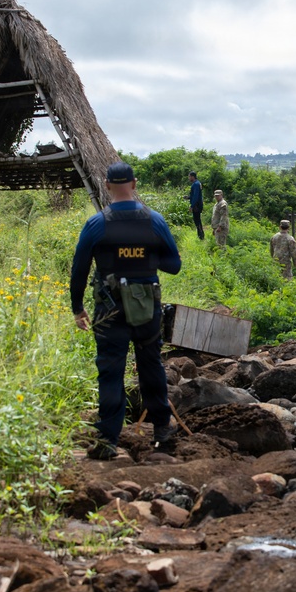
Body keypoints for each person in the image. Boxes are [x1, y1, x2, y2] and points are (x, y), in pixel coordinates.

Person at [70, 162, 182, 460]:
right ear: (134, 183)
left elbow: (79, 268)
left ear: (107, 185)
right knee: (150, 365)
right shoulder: (154, 220)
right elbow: (174, 265)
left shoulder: (96, 224)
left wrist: (77, 307)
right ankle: (162, 429)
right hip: (146, 307)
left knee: (110, 371)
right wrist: (144, 259)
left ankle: (107, 441)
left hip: (109, 310)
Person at [187, 171, 205, 240]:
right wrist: (188, 197)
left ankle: (201, 236)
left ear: (192, 177)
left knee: (197, 220)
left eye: (189, 176)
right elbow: (194, 195)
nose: (189, 178)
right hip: (197, 204)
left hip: (196, 206)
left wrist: (192, 206)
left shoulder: (196, 184)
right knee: (197, 220)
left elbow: (196, 196)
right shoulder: (197, 183)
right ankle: (200, 235)